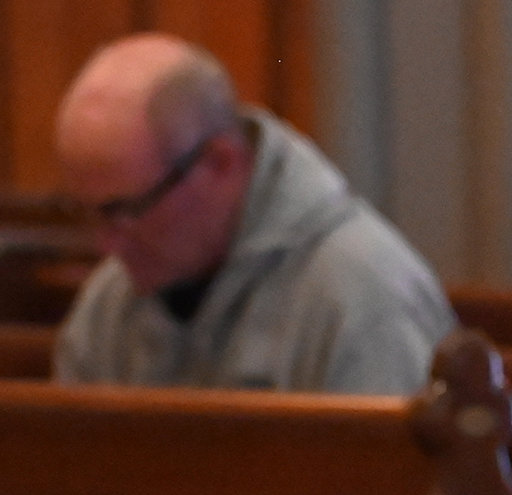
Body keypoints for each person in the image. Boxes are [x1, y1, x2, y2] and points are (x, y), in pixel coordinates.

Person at [50, 34, 455, 395]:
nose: (107, 245)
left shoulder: (363, 299)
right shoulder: (111, 303)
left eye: (126, 211)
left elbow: (389, 478)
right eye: (88, 214)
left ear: (219, 163)